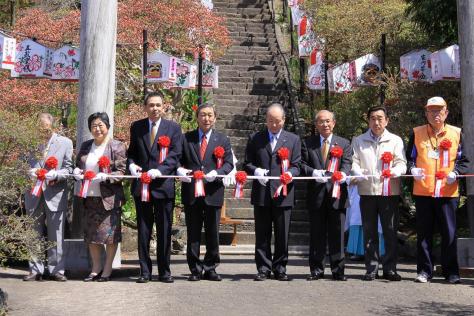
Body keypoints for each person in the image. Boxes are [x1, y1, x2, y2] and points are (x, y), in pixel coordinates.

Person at [406, 97, 469, 284]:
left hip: (448, 192)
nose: (435, 114)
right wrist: (412, 170)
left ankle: (451, 273)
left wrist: (456, 172)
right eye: (431, 111)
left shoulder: (457, 133)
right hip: (423, 191)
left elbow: (464, 161)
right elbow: (409, 159)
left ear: (446, 113)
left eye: (439, 110)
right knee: (424, 233)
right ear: (426, 113)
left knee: (449, 233)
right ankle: (424, 271)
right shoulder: (416, 133)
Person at [127, 91, 183, 283]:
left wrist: (160, 170)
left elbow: (175, 155)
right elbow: (132, 152)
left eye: (158, 105)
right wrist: (132, 165)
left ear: (164, 106)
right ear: (145, 107)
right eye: (151, 105)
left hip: (163, 185)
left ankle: (165, 272)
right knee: (144, 230)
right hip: (142, 186)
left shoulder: (173, 128)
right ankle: (144, 271)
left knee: (165, 230)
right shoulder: (137, 127)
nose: (155, 108)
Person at [244, 103, 301, 281]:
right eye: (270, 121)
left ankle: (280, 268)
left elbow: (297, 165)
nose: (274, 125)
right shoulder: (256, 138)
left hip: (284, 193)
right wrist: (256, 171)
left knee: (282, 234)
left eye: (277, 121)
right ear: (266, 120)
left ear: (283, 120)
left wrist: (290, 174)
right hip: (262, 193)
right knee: (262, 234)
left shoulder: (293, 140)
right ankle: (263, 268)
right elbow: (247, 163)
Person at [177, 103, 234, 281]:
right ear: (197, 117)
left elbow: (229, 163)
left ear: (215, 118)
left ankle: (210, 267)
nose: (206, 118)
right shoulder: (186, 138)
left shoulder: (222, 140)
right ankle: (195, 269)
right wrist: (179, 170)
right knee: (193, 232)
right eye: (203, 115)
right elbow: (177, 159)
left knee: (212, 232)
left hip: (213, 191)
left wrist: (217, 173)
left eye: (210, 115)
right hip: (192, 191)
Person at [351, 106, 406, 281]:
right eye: (373, 118)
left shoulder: (395, 140)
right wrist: (357, 171)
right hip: (367, 192)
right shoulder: (359, 141)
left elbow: (402, 163)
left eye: (380, 118)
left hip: (389, 192)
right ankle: (371, 268)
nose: (377, 122)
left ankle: (389, 268)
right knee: (369, 231)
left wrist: (396, 171)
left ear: (387, 120)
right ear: (368, 121)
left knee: (390, 230)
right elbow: (354, 162)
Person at [74, 112, 127, 282]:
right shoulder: (85, 145)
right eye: (93, 126)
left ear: (107, 127)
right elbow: (79, 164)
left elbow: (122, 171)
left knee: (110, 236)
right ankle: (95, 268)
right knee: (92, 236)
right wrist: (77, 172)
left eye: (100, 125)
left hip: (109, 199)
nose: (97, 129)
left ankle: (107, 268)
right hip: (89, 197)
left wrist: (108, 176)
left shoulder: (117, 146)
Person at [301, 110, 351, 281]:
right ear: (316, 125)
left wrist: (342, 174)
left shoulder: (344, 143)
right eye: (321, 122)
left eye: (328, 121)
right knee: (317, 235)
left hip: (337, 196)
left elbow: (347, 164)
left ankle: (338, 270)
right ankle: (316, 269)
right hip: (316, 196)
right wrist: (313, 172)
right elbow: (301, 164)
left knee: (338, 235)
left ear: (334, 123)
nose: (325, 125)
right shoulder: (308, 143)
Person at [23, 113, 73, 281]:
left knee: (56, 233)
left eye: (46, 128)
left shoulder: (65, 143)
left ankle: (57, 269)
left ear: (53, 127)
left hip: (55, 193)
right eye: (39, 128)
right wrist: (28, 172)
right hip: (33, 192)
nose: (42, 131)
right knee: (33, 231)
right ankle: (35, 268)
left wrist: (56, 174)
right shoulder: (27, 142)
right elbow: (21, 166)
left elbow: (69, 169)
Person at [345, 181, 385, 260]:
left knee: (377, 221)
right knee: (357, 218)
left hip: (376, 188)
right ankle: (358, 252)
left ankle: (379, 252)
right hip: (358, 191)